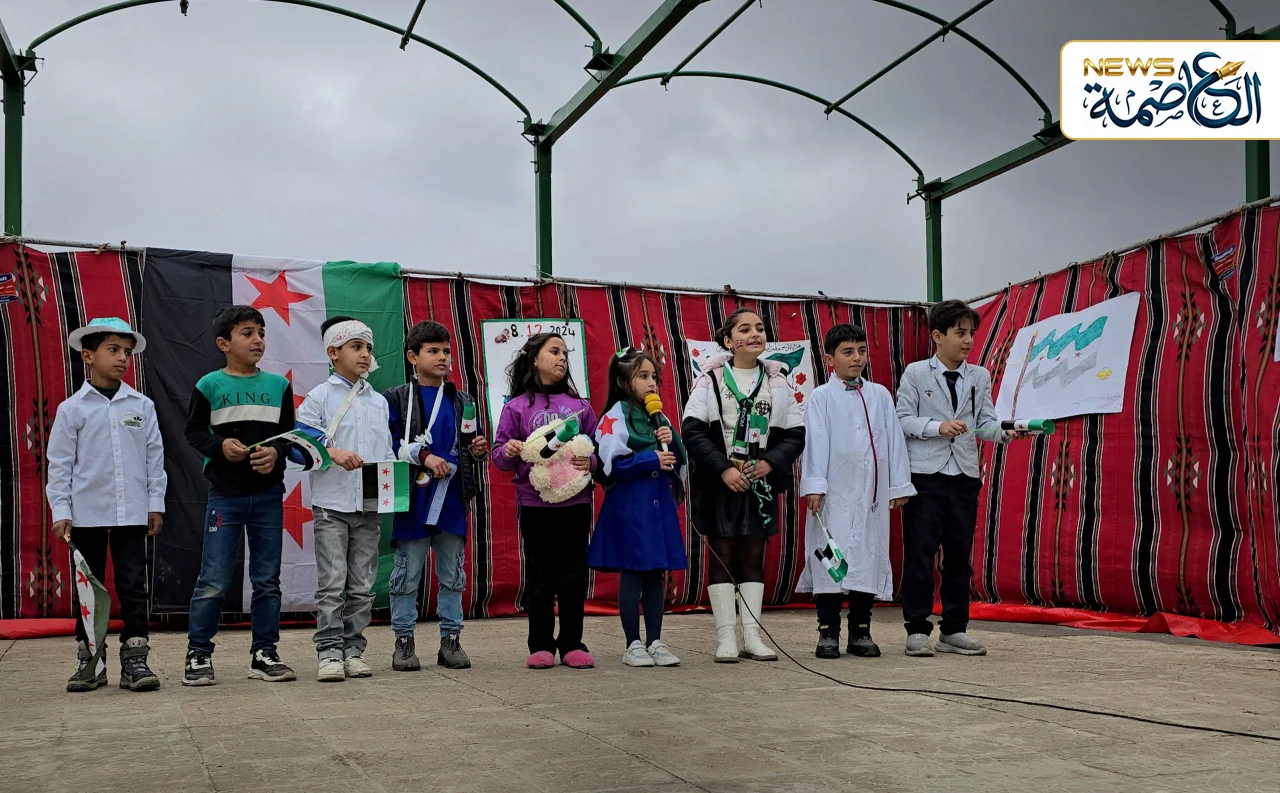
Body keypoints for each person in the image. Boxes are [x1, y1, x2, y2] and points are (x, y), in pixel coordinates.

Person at [46, 317, 166, 692]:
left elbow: (154, 459)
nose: (122, 358)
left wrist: (155, 503)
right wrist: (61, 510)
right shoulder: (73, 409)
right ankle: (91, 661)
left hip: (132, 510)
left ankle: (135, 659)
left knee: (133, 584)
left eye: (127, 352)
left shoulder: (142, 405)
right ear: (88, 356)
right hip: (86, 511)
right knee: (90, 587)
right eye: (113, 350)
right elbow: (59, 464)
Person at [896, 299, 1022, 657]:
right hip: (925, 475)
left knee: (959, 555)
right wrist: (937, 426)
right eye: (960, 333)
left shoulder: (979, 376)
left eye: (971, 333)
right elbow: (901, 419)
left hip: (964, 474)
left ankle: (954, 629)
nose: (967, 340)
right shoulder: (916, 373)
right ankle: (916, 628)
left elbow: (986, 422)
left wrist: (1008, 432)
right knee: (920, 552)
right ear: (938, 336)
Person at [682, 307, 805, 663]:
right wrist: (723, 469)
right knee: (723, 554)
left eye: (760, 329)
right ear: (728, 340)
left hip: (759, 482)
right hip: (721, 482)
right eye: (745, 329)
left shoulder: (778, 381)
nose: (755, 334)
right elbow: (692, 430)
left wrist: (769, 463)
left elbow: (796, 434)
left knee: (753, 554)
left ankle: (752, 636)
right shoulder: (710, 380)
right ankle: (726, 638)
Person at [183, 305, 297, 686]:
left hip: (268, 497)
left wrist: (275, 454)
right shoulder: (209, 385)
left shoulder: (279, 386)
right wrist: (219, 446)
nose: (257, 340)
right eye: (247, 333)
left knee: (267, 580)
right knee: (214, 578)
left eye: (261, 332)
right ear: (224, 343)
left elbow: (288, 437)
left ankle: (264, 653)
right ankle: (198, 654)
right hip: (224, 497)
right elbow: (193, 432)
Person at [797, 324, 914, 659]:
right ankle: (828, 631)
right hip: (834, 494)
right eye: (848, 352)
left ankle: (861, 630)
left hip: (872, 496)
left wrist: (898, 484)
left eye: (861, 351)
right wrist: (815, 485)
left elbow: (894, 440)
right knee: (830, 558)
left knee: (867, 558)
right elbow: (815, 441)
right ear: (829, 359)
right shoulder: (822, 397)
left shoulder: (880, 395)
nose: (857, 358)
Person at [294, 316, 393, 682]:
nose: (365, 354)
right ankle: (329, 652)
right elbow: (298, 445)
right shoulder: (319, 396)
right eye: (356, 347)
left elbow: (387, 452)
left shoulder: (379, 402)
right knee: (333, 583)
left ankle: (354, 650)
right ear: (333, 352)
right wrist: (331, 452)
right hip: (331, 505)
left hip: (369, 506)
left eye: (368, 347)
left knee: (362, 586)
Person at [385, 321, 488, 672]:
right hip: (414, 498)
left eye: (446, 351)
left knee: (452, 573)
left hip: (453, 499)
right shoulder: (397, 398)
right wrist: (425, 456)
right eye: (433, 351)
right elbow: (389, 443)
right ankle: (403, 641)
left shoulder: (462, 399)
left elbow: (470, 444)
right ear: (413, 357)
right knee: (407, 573)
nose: (443, 357)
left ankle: (451, 641)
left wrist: (477, 450)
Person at [492, 332, 599, 669]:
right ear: (534, 359)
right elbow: (499, 457)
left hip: (576, 504)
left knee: (573, 575)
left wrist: (590, 462)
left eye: (565, 353)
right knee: (540, 575)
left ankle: (572, 643)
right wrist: (509, 450)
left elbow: (598, 449)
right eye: (554, 351)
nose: (562, 358)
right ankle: (540, 644)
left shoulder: (581, 407)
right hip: (534, 504)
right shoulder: (515, 407)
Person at [588, 348, 688, 668]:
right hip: (630, 507)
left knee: (656, 573)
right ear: (622, 381)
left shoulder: (659, 417)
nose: (652, 383)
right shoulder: (614, 416)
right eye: (643, 376)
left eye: (654, 377)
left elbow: (678, 463)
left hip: (657, 507)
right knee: (632, 572)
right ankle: (632, 643)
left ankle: (655, 640)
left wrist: (671, 442)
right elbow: (609, 467)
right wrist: (650, 459)